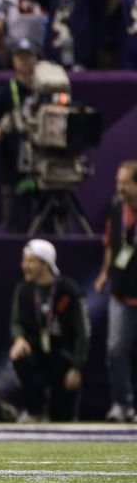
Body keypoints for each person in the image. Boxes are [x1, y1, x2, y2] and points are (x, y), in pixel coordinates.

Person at [10, 239, 88, 422]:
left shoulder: (69, 290)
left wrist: (76, 367)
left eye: (30, 261)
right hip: (37, 355)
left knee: (62, 418)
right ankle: (34, 410)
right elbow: (16, 321)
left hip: (62, 357)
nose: (25, 266)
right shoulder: (24, 289)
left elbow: (83, 332)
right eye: (24, 261)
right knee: (20, 357)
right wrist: (19, 339)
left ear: (45, 264)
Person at [0, 38, 40, 233]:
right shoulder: (3, 93)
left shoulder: (48, 91)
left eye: (28, 57)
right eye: (20, 57)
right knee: (15, 228)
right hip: (14, 173)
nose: (24, 62)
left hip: (45, 170)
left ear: (36, 59)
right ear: (13, 60)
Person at [96, 160, 137, 422]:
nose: (119, 187)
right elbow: (111, 244)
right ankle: (122, 404)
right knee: (115, 350)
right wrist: (103, 273)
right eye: (118, 182)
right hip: (121, 291)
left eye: (124, 182)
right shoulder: (114, 207)